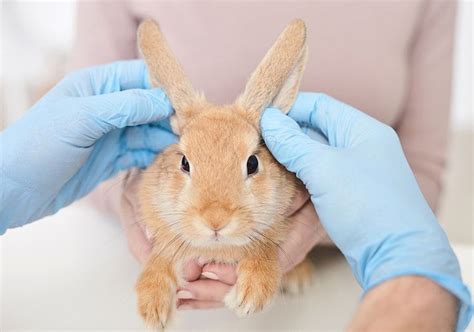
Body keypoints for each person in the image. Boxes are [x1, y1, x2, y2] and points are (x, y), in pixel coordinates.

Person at [0, 60, 471, 330]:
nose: (216, 216)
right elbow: (110, 166)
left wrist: (400, 261)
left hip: (330, 292)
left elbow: (420, 173)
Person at [69, 1, 458, 286]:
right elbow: (82, 149)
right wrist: (145, 208)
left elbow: (421, 174)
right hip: (145, 267)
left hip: (341, 279)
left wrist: (324, 221)